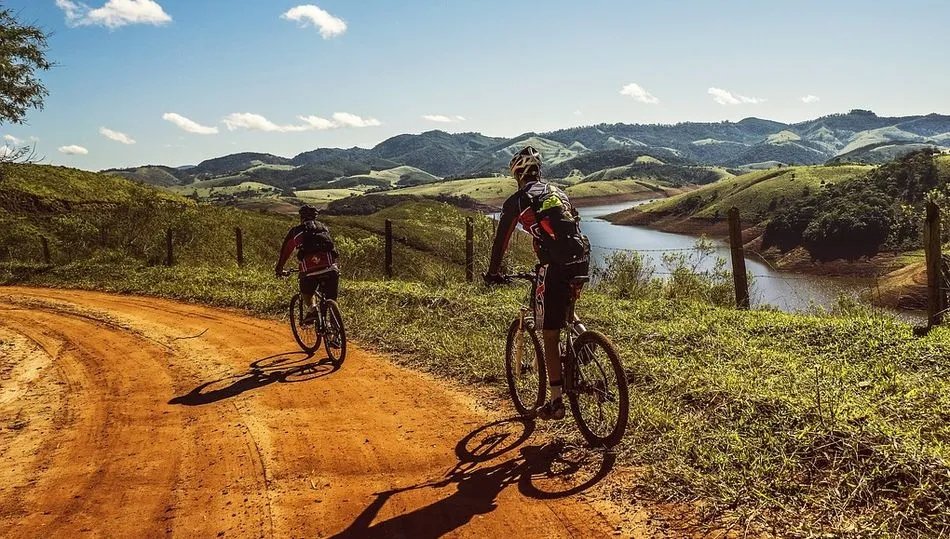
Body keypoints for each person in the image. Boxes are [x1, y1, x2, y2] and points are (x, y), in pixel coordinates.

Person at [484, 146, 591, 420]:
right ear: (538, 171)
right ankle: (586, 338)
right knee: (566, 309)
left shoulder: (519, 200)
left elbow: (501, 241)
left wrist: (493, 272)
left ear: (518, 175)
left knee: (550, 333)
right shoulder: (557, 192)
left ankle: (556, 402)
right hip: (581, 258)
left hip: (554, 266)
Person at [275, 204, 340, 322]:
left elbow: (285, 252)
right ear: (315, 217)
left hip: (309, 272)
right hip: (331, 269)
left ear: (301, 217)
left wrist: (279, 269)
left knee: (306, 292)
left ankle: (312, 309)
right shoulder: (324, 228)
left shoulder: (295, 231)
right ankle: (336, 329)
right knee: (331, 298)